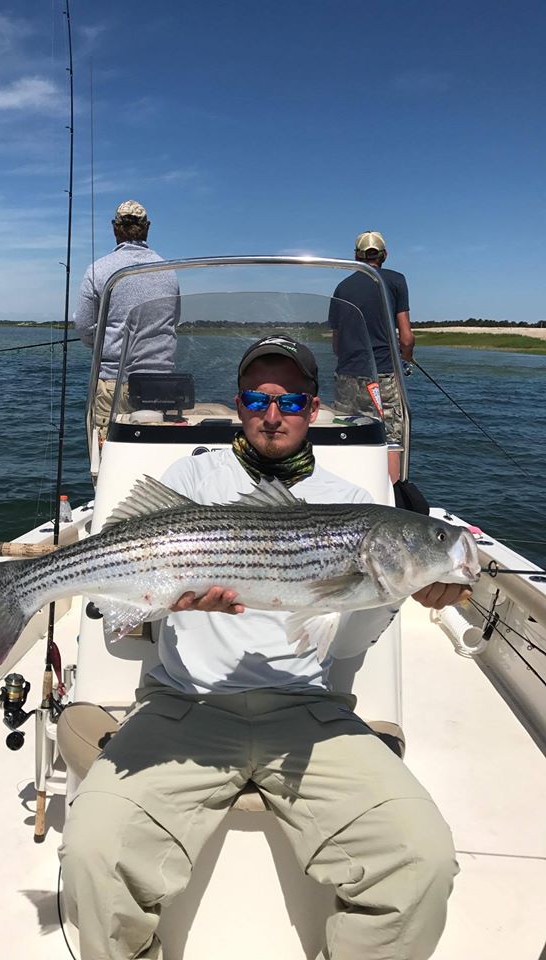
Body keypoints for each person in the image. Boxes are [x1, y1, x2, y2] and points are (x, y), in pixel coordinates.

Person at [60, 334, 468, 960]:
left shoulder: (355, 505)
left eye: (292, 401)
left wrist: (402, 591)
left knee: (424, 859)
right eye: (257, 398)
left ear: (314, 407)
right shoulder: (193, 476)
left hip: (307, 712)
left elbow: (346, 645)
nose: (273, 415)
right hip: (184, 706)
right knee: (90, 853)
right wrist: (163, 599)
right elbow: (131, 585)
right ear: (239, 403)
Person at [73, 200, 180, 435]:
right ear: (147, 227)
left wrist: (104, 343)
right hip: (162, 386)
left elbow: (84, 328)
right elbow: (173, 322)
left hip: (114, 383)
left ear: (115, 227)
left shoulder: (98, 270)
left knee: (109, 458)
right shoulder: (168, 271)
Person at [332, 231, 414, 482]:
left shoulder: (342, 287)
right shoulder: (395, 281)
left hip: (347, 376)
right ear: (384, 255)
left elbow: (336, 343)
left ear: (356, 255)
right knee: (389, 440)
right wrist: (406, 361)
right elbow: (407, 337)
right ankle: (390, 499)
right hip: (383, 377)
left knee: (347, 435)